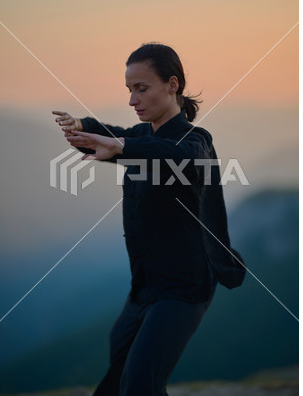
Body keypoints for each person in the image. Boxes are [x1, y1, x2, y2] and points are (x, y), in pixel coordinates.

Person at [52, 42, 245, 396]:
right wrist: (83, 126)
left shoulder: (194, 141)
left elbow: (178, 157)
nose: (132, 100)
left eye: (141, 89)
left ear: (173, 85)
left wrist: (123, 147)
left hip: (185, 288)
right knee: (119, 382)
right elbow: (113, 136)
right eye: (129, 90)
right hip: (145, 287)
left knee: (141, 383)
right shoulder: (142, 137)